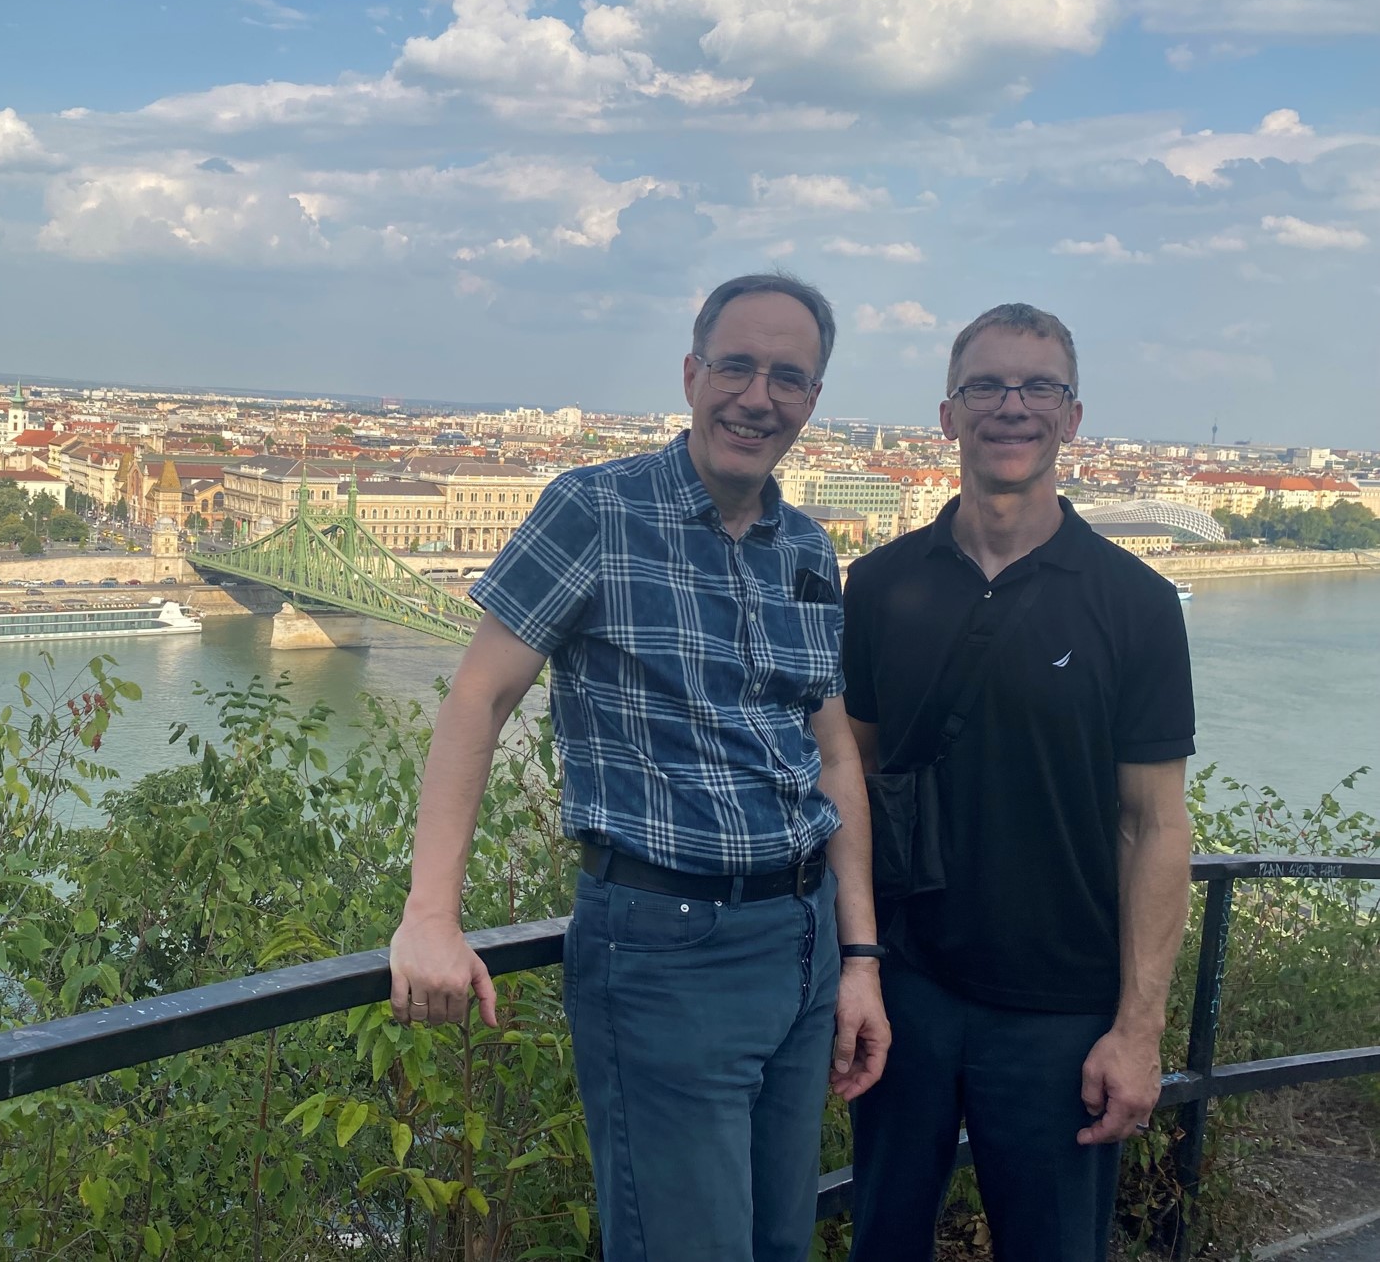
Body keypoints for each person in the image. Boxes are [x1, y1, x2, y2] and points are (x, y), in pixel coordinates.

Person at [389, 273, 890, 1262]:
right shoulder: (596, 510)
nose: (758, 396)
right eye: (737, 366)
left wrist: (859, 959)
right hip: (667, 946)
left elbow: (832, 757)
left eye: (788, 376)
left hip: (801, 940)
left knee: (779, 1246)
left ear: (813, 400)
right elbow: (477, 700)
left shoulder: (808, 548)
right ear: (693, 373)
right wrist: (430, 917)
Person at [841, 304, 1195, 1261]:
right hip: (905, 990)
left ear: (1073, 418)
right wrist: (857, 962)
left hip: (1062, 1011)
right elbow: (852, 780)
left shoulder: (1138, 603)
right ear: (947, 415)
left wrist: (1140, 1029)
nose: (1013, 406)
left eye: (1039, 387)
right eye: (987, 386)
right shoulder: (876, 589)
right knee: (882, 1238)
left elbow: (1157, 825)